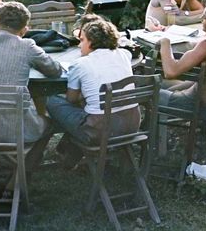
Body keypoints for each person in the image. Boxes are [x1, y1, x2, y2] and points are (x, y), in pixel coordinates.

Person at [0, 2, 62, 197]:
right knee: (48, 124)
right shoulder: (27, 45)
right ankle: (16, 179)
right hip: (12, 127)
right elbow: (55, 70)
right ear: (24, 29)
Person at [46, 19, 138, 165]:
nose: (79, 44)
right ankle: (68, 154)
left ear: (92, 41)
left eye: (82, 40)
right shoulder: (124, 54)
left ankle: (66, 152)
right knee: (88, 104)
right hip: (131, 126)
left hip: (99, 132)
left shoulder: (80, 64)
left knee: (53, 101)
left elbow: (71, 99)